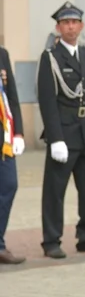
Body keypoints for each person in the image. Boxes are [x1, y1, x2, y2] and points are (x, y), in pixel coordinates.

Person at [37, 1, 85, 258]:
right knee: (55, 192)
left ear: (81, 26)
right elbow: (47, 101)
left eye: (74, 22)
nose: (70, 26)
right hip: (64, 135)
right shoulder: (50, 58)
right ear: (58, 27)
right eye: (65, 22)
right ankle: (51, 240)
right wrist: (55, 138)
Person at [0, 45, 25, 264]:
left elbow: (12, 96)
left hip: (3, 138)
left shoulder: (2, 54)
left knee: (9, 184)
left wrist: (18, 133)